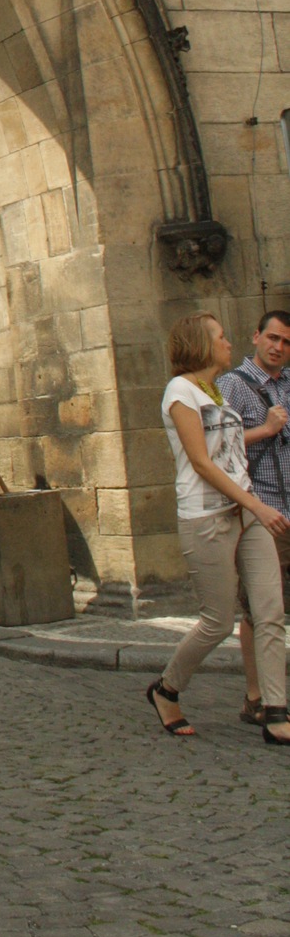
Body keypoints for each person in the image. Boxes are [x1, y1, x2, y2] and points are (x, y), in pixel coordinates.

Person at [147, 313, 290, 747]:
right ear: (201, 344)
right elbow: (201, 463)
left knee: (270, 613)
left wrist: (252, 500)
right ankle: (166, 689)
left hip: (245, 513)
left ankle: (275, 711)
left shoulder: (215, 391)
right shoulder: (180, 391)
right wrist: (258, 504)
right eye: (222, 337)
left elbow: (229, 452)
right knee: (217, 622)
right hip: (207, 517)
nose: (229, 343)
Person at [217, 309, 290, 725]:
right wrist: (265, 429)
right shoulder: (232, 385)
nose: (279, 347)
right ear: (256, 336)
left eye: (286, 342)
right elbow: (215, 447)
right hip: (262, 510)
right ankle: (256, 696)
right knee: (260, 610)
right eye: (273, 338)